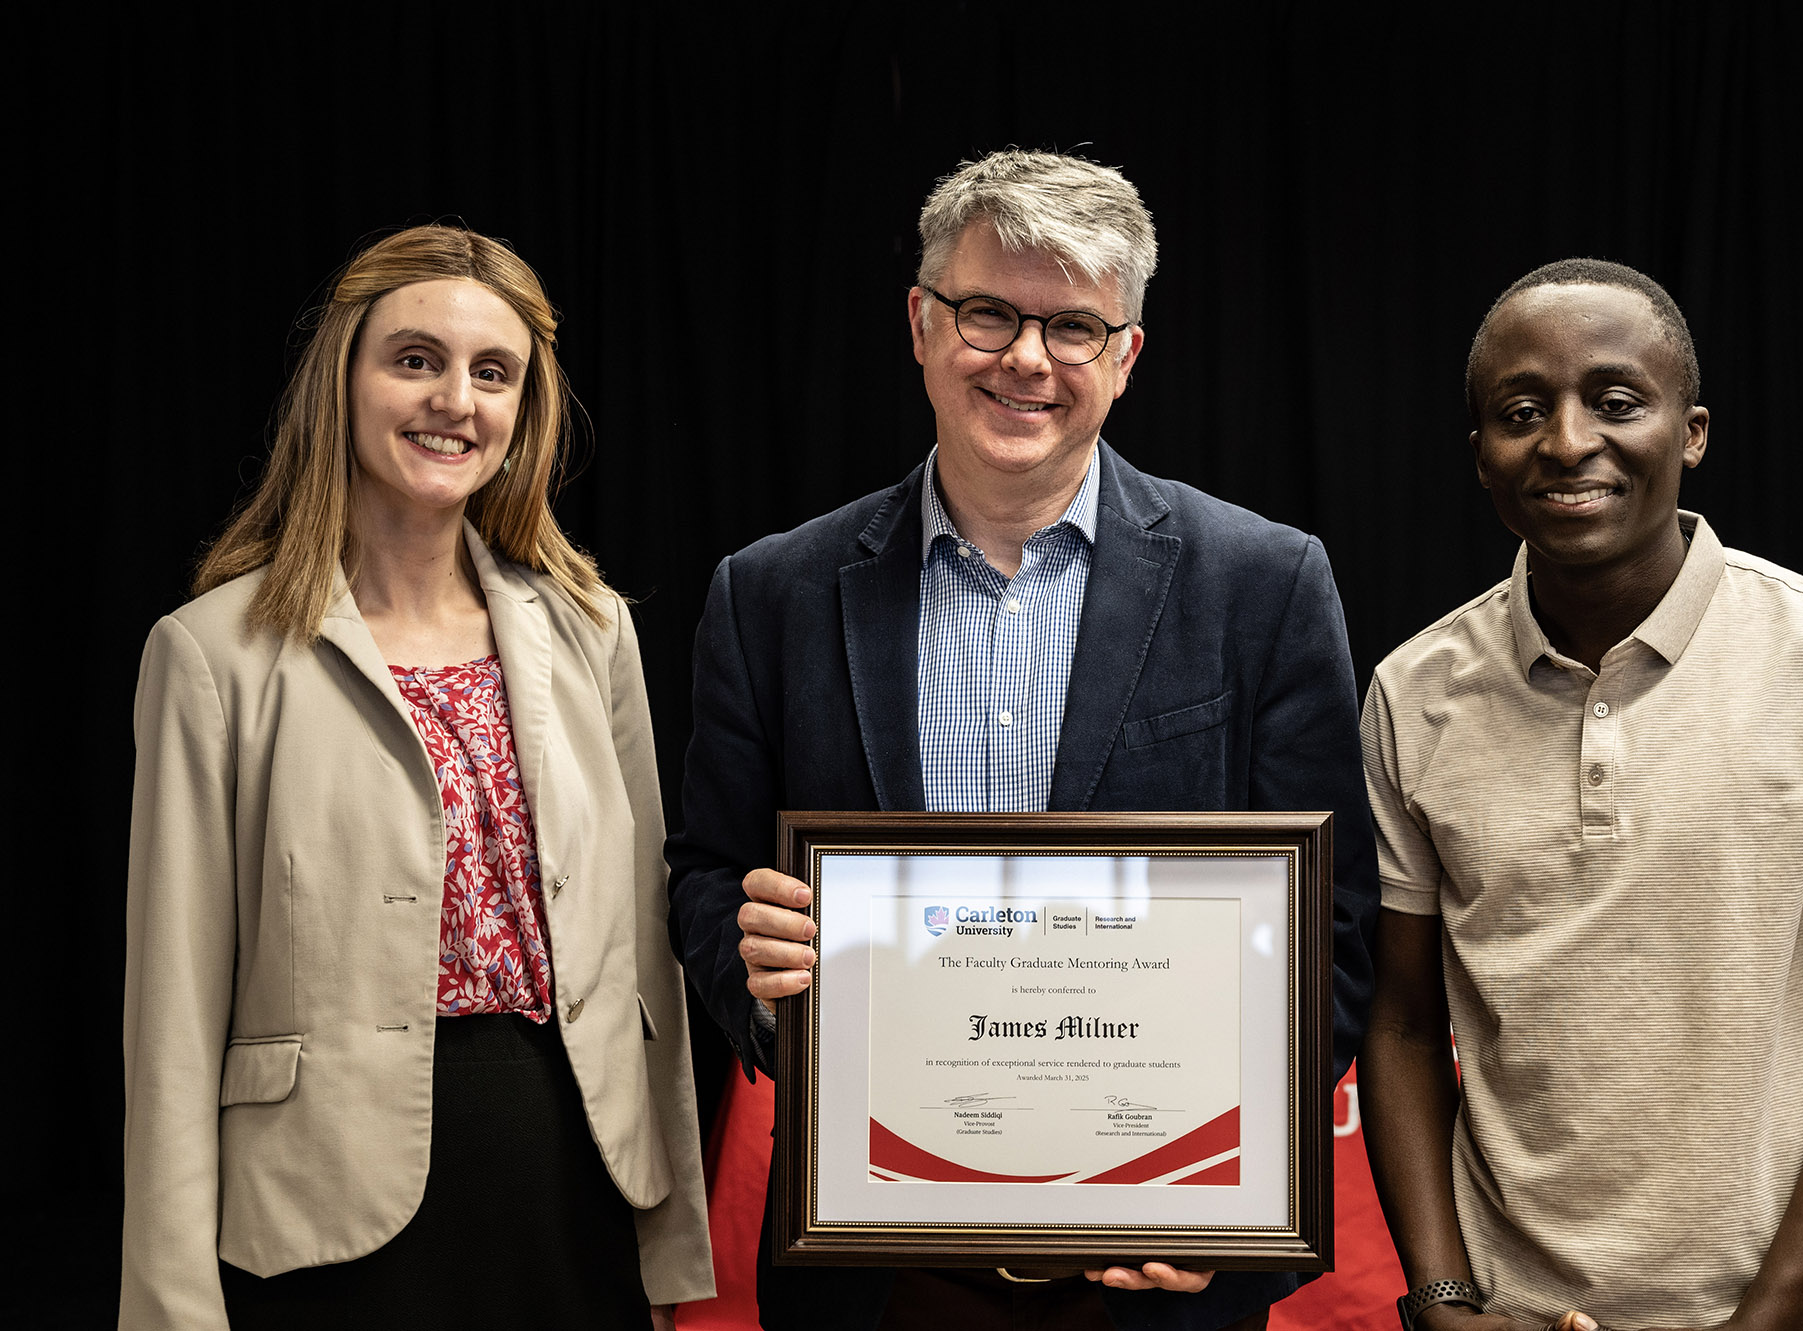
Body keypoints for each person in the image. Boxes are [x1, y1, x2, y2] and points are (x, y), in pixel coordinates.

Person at [665, 149, 1379, 1331]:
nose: (1025, 359)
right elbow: (701, 874)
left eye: (1072, 327)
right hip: (875, 1263)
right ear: (920, 322)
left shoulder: (1263, 581)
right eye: (988, 312)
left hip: (1156, 1263)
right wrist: (755, 970)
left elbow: (1335, 930)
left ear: (1126, 355)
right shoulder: (772, 593)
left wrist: (1229, 1193)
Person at [122, 225, 714, 1330]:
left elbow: (647, 962)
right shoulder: (212, 654)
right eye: (414, 359)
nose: (455, 399)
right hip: (325, 1221)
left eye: (492, 372)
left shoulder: (591, 632)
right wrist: (168, 1308)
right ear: (341, 377)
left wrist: (672, 1251)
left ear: (522, 412)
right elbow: (172, 1018)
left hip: (574, 1191)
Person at [1357, 258, 1803, 1331]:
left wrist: (1762, 1318)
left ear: (1689, 433)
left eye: (1616, 400)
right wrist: (1443, 1299)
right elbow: (1401, 1026)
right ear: (1479, 456)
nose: (1566, 439)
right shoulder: (1412, 691)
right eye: (1520, 410)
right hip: (1510, 1310)